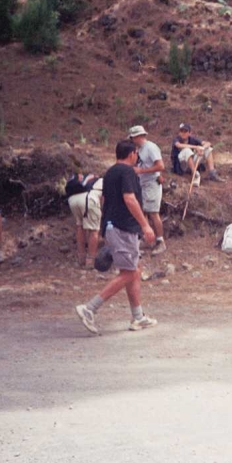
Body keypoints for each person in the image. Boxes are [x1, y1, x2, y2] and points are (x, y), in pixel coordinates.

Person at [75, 140, 158, 335]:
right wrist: (145, 225)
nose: (137, 157)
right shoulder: (127, 171)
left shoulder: (111, 172)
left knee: (134, 269)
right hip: (123, 227)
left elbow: (105, 199)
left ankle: (138, 317)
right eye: (136, 153)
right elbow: (129, 198)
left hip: (114, 225)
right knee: (129, 272)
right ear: (131, 154)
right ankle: (89, 308)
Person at [128, 125, 166, 255]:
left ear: (138, 136)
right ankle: (148, 239)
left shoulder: (150, 147)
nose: (132, 140)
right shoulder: (140, 149)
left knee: (153, 212)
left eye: (133, 138)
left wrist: (142, 171)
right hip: (144, 183)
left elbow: (160, 165)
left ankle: (160, 241)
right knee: (144, 211)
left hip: (151, 184)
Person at [68, 174, 103, 268]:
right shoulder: (103, 181)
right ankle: (90, 261)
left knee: (80, 226)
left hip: (72, 200)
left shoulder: (85, 181)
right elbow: (104, 198)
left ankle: (81, 258)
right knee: (94, 230)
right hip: (88, 199)